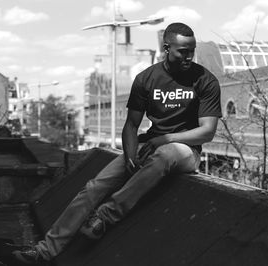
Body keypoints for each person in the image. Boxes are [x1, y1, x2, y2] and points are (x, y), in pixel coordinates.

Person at [12, 22, 222, 264]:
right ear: (166, 48)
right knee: (94, 187)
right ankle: (45, 250)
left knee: (165, 154)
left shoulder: (205, 80)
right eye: (182, 51)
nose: (188, 57)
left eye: (191, 51)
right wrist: (131, 154)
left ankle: (105, 216)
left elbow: (207, 132)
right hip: (149, 145)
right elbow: (131, 125)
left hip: (185, 151)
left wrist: (166, 138)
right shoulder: (147, 79)